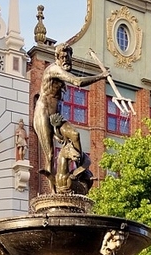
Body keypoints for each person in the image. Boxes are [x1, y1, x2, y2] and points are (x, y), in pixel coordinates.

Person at [32, 43, 108, 191]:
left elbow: (58, 100)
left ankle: (80, 170)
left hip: (56, 116)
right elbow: (77, 82)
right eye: (62, 57)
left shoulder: (62, 72)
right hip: (42, 113)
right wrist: (101, 76)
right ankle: (53, 192)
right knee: (50, 154)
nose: (65, 60)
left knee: (75, 135)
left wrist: (57, 127)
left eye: (67, 57)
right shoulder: (54, 69)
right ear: (57, 58)